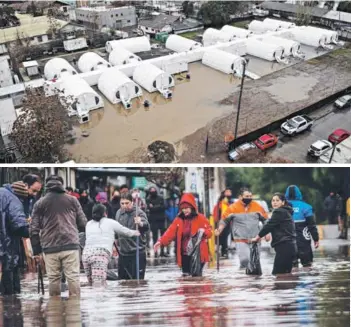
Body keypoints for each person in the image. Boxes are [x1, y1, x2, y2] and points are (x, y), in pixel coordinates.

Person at [31, 176, 87, 297]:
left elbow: (34, 228)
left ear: (46, 186)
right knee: (73, 277)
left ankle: (54, 310)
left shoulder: (40, 203)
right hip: (71, 245)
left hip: (50, 246)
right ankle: (74, 310)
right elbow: (83, 223)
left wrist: (36, 250)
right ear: (62, 185)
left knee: (53, 278)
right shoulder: (72, 200)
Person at [154, 193, 212, 277]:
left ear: (192, 207)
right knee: (186, 276)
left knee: (196, 277)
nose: (185, 210)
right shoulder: (179, 219)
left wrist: (204, 231)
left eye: (187, 208)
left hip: (198, 254)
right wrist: (160, 241)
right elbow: (170, 232)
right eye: (183, 208)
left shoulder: (201, 218)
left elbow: (210, 232)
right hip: (184, 254)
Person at [82, 203, 140, 286]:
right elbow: (124, 231)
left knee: (91, 284)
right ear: (105, 213)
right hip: (100, 254)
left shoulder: (88, 224)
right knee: (99, 285)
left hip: (86, 254)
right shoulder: (110, 222)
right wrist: (135, 232)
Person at [215, 187, 268, 269]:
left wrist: (267, 233)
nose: (249, 198)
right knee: (245, 260)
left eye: (250, 196)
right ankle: (244, 277)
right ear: (240, 197)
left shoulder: (257, 206)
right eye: (247, 196)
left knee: (254, 262)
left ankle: (252, 280)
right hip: (240, 239)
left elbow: (265, 220)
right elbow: (224, 220)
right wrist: (219, 229)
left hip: (255, 239)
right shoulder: (233, 208)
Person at [252, 193, 297, 275]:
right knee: (286, 275)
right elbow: (272, 225)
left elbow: (269, 225)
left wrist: (257, 237)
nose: (275, 202)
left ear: (283, 202)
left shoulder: (279, 211)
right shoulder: (286, 211)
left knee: (277, 274)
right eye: (273, 200)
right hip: (291, 246)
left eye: (277, 200)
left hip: (284, 246)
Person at [0, 181, 30, 295]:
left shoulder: (3, 193)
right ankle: (10, 307)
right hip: (7, 246)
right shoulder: (14, 200)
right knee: (9, 290)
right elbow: (19, 226)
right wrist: (32, 232)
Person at [115, 193, 150, 280]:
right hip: (123, 253)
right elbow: (116, 229)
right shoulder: (119, 213)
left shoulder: (139, 212)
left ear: (132, 202)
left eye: (127, 203)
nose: (124, 206)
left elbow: (146, 227)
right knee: (122, 281)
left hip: (137, 252)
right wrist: (115, 245)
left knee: (137, 281)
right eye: (122, 203)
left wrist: (140, 223)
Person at [285, 185, 319, 268]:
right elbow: (312, 225)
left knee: (292, 268)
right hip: (303, 240)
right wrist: (316, 239)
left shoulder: (283, 207)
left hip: (287, 240)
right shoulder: (306, 207)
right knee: (307, 266)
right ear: (299, 194)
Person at [146, 187, 167, 257]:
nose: (153, 191)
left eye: (154, 190)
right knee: (155, 237)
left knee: (162, 236)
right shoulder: (148, 199)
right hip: (153, 220)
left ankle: (162, 251)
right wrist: (158, 206)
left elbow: (163, 207)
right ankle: (155, 251)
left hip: (161, 219)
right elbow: (149, 208)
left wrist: (154, 207)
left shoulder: (161, 198)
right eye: (151, 190)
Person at [212, 188, 233, 258]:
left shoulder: (230, 203)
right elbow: (216, 213)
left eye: (230, 192)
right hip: (220, 222)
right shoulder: (219, 204)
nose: (229, 193)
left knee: (225, 237)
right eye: (227, 192)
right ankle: (221, 250)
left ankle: (224, 251)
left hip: (227, 222)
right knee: (220, 237)